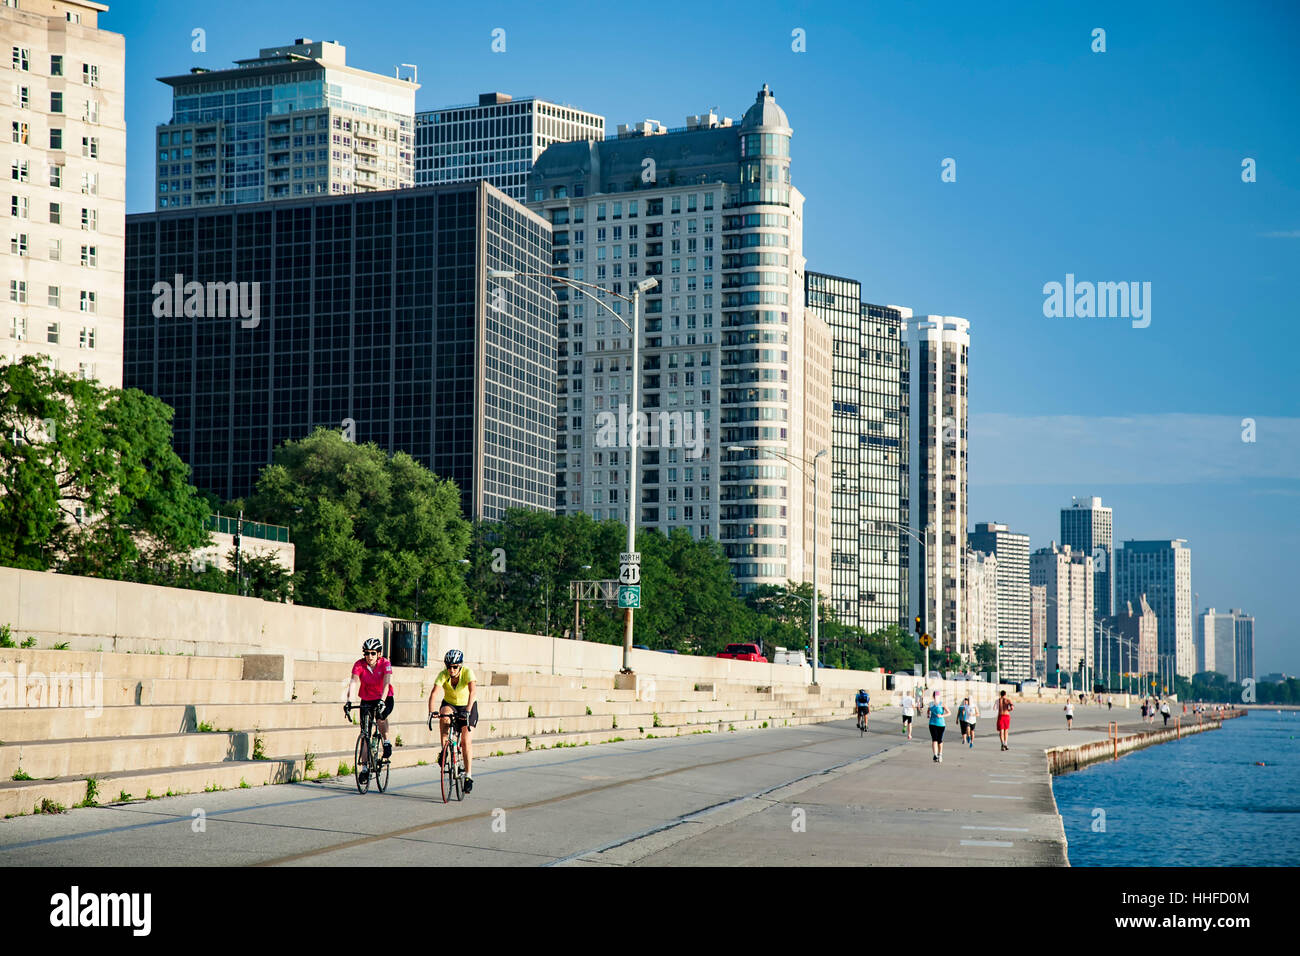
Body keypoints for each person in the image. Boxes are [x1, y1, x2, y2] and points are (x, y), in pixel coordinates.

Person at [345, 637, 395, 783]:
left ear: (379, 654)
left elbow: (387, 684)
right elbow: (353, 683)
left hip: (384, 697)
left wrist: (381, 701)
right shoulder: (359, 665)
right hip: (366, 698)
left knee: (380, 717)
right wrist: (349, 701)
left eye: (373, 653)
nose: (369, 656)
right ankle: (365, 769)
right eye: (366, 653)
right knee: (365, 733)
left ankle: (386, 741)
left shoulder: (385, 663)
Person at [429, 649, 478, 793]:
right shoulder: (443, 675)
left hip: (467, 705)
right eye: (449, 666)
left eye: (455, 667)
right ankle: (444, 750)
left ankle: (468, 776)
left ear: (460, 666)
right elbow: (434, 693)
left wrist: (468, 710)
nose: (451, 670)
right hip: (450, 704)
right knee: (444, 715)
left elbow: (473, 692)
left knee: (465, 741)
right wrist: (432, 711)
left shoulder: (467, 672)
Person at [928, 691, 950, 762]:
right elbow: (928, 711)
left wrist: (941, 715)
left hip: (941, 724)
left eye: (937, 696)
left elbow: (949, 713)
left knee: (939, 740)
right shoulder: (931, 704)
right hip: (932, 723)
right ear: (933, 696)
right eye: (935, 696)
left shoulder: (942, 704)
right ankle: (935, 755)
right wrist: (928, 714)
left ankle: (940, 754)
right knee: (934, 739)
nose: (936, 697)